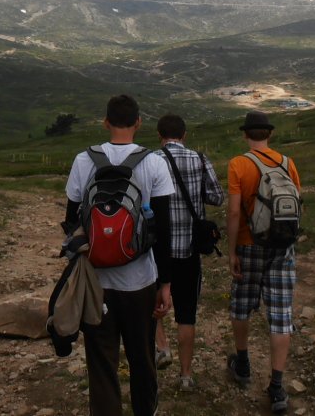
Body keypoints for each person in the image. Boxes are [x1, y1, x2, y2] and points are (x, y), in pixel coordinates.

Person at [63, 93, 175, 416]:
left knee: (101, 363)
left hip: (96, 283)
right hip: (140, 281)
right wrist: (165, 284)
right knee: (142, 358)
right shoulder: (154, 163)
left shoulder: (84, 160)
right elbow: (164, 230)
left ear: (106, 122)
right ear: (138, 123)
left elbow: (71, 221)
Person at [226, 110, 302, 413]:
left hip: (249, 245)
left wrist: (232, 251)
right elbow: (296, 204)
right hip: (282, 246)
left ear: (246, 134)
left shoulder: (238, 164)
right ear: (269, 134)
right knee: (281, 314)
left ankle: (243, 363)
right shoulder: (287, 163)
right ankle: (277, 385)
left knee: (242, 304)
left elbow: (234, 212)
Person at [153, 112, 225, 389]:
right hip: (189, 251)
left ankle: (162, 347)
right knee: (187, 314)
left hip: (158, 251)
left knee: (153, 303)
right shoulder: (199, 159)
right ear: (184, 135)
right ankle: (185, 375)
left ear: (160, 135)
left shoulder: (151, 160)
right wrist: (196, 195)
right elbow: (217, 197)